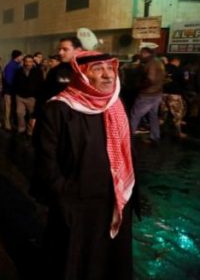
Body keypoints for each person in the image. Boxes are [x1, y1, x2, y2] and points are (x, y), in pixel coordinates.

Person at [33, 50, 136, 279]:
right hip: (77, 203)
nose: (108, 75)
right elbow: (46, 161)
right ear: (82, 75)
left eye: (110, 68)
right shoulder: (58, 109)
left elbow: (128, 152)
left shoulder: (116, 105)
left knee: (110, 260)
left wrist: (131, 193)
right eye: (98, 69)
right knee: (75, 260)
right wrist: (63, 197)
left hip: (114, 200)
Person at [129, 47, 165, 143]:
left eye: (141, 54)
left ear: (145, 53)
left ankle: (127, 138)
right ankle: (155, 136)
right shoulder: (159, 62)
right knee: (153, 115)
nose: (140, 56)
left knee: (135, 115)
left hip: (147, 94)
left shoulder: (151, 64)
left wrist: (140, 86)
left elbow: (150, 79)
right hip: (157, 93)